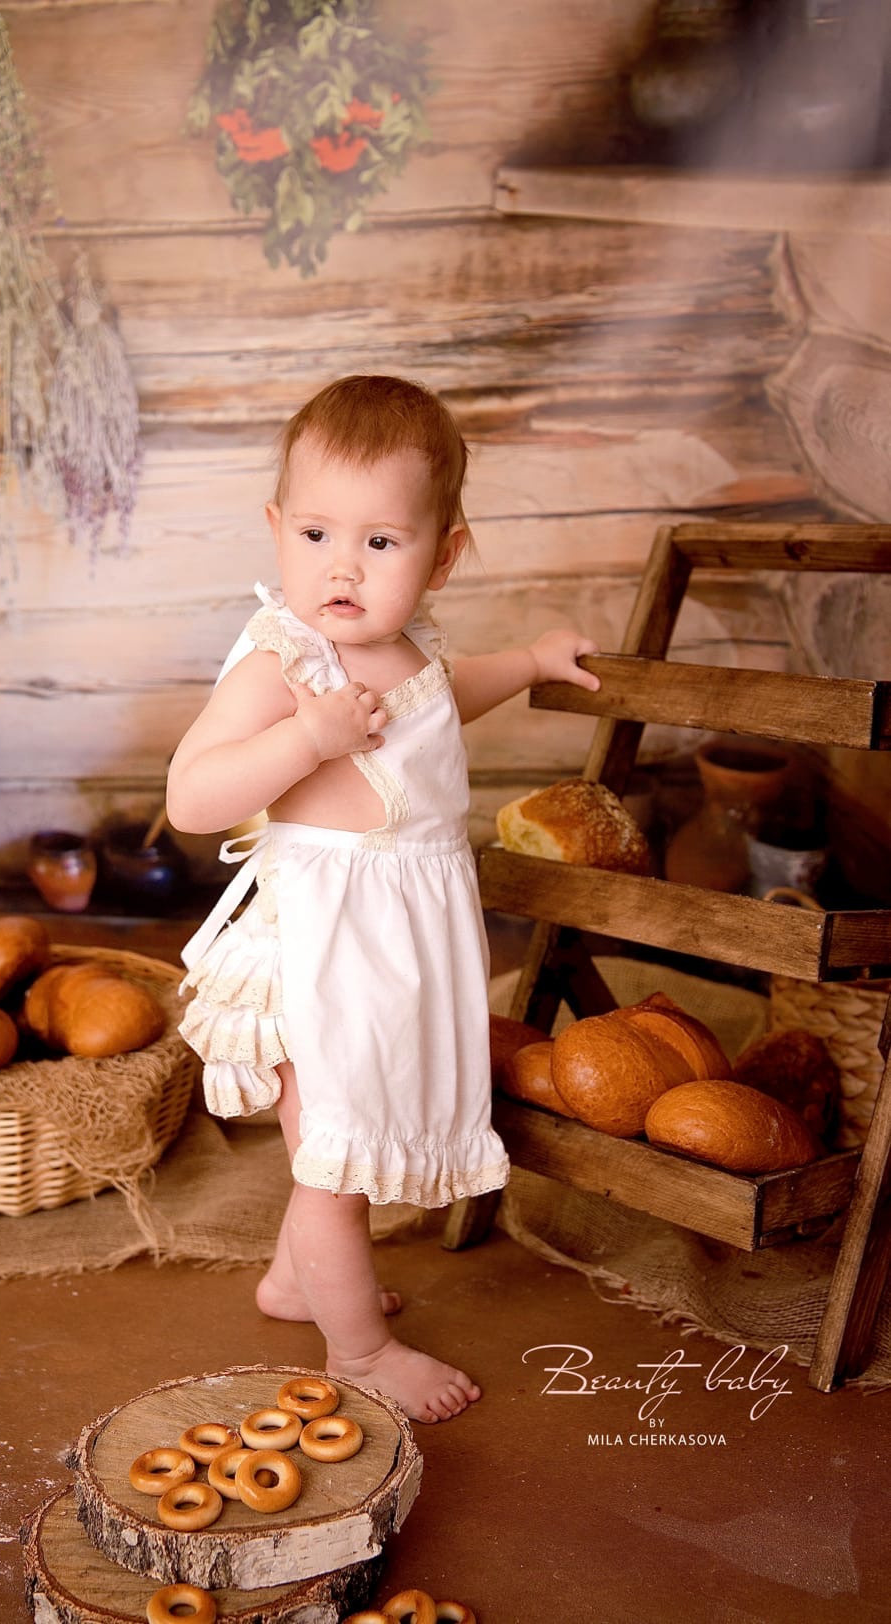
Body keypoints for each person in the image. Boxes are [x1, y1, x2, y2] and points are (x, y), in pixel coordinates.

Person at [167, 374, 600, 1423]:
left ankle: (287, 1280)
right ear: (276, 529)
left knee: (343, 1132)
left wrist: (534, 660)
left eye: (379, 543)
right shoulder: (285, 662)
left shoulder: (411, 650)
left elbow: (442, 698)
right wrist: (302, 740)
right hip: (321, 943)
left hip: (394, 940)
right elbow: (190, 796)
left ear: (442, 552)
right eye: (315, 533)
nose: (340, 568)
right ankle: (356, 1347)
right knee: (329, 1152)